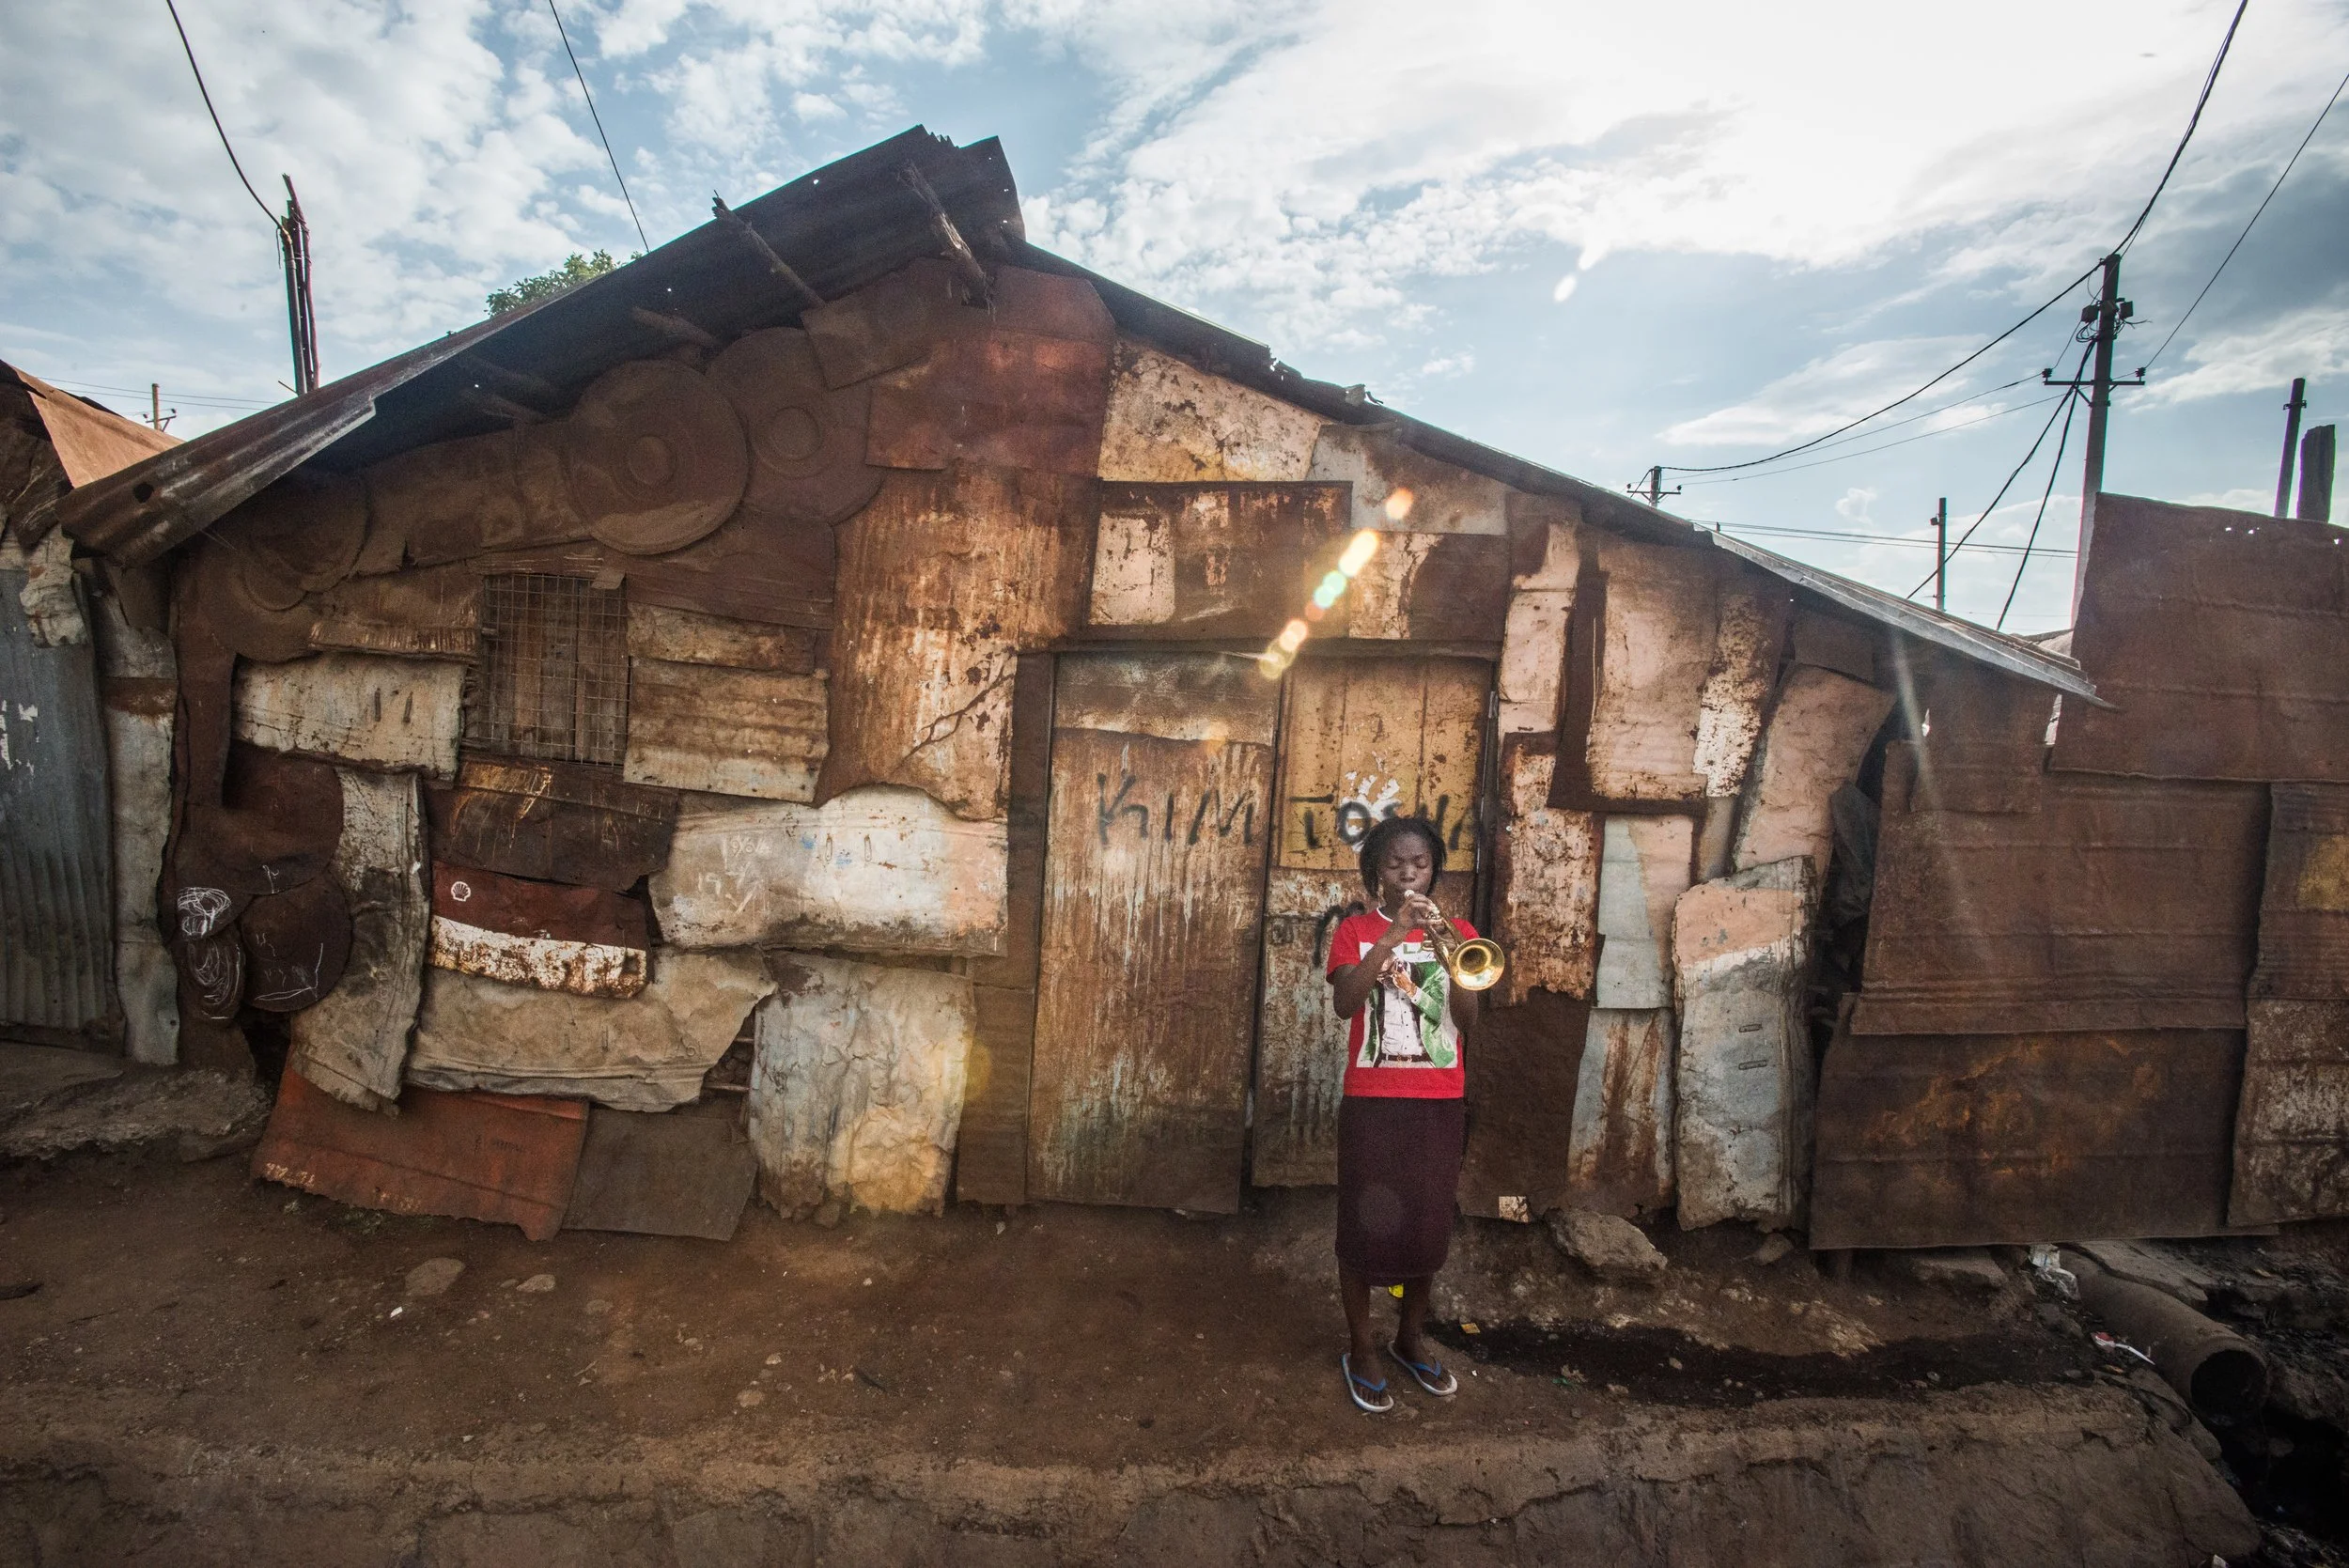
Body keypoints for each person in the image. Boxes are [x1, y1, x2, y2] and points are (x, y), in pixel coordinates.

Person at [1324, 814, 1479, 1413]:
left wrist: (1447, 950)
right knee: (1363, 1226)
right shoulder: (1355, 932)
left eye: (1419, 864)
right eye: (1395, 864)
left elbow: (1468, 1023)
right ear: (1375, 872)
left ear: (1434, 868)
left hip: (1438, 1104)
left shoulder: (1459, 931)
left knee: (1426, 1224)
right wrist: (1389, 940)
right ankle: (1362, 1348)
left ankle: (1409, 1340)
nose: (1409, 873)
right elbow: (1344, 1003)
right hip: (1372, 1101)